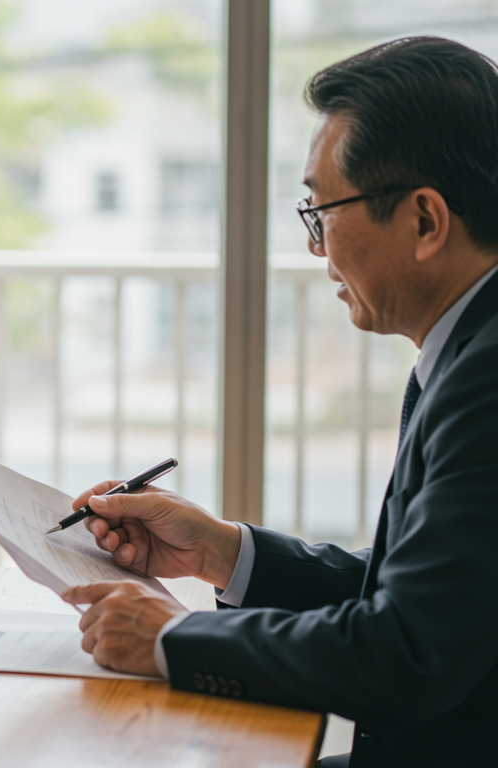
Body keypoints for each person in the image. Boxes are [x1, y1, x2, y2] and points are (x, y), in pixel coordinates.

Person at [59, 37, 498, 767]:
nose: (315, 249)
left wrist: (169, 639)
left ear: (426, 221)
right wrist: (223, 551)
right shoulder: (467, 345)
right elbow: (424, 593)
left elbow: (405, 653)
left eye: (323, 211)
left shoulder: (487, 378)